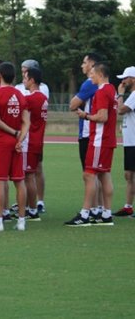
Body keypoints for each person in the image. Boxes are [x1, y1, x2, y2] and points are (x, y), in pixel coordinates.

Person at [66, 62, 116, 226]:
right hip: (108, 140)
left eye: (93, 74)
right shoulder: (112, 90)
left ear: (100, 74)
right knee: (104, 175)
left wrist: (85, 115)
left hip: (99, 140)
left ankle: (85, 214)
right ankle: (106, 214)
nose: (90, 76)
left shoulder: (102, 91)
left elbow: (103, 117)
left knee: (89, 174)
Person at [0, 62, 29, 232]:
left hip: (1, 143)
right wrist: (20, 138)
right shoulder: (20, 95)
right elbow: (26, 122)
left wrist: (14, 134)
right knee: (19, 181)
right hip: (17, 144)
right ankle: (22, 221)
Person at [69, 52, 104, 220]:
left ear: (91, 64)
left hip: (88, 133)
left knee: (89, 174)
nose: (82, 66)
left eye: (84, 63)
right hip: (95, 133)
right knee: (97, 173)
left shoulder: (90, 83)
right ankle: (98, 208)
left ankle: (92, 210)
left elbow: (73, 104)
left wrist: (80, 104)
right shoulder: (103, 85)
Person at [23, 67, 48, 221]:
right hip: (38, 141)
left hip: (30, 141)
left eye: (26, 78)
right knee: (30, 175)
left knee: (28, 177)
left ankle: (32, 210)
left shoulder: (31, 99)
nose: (24, 81)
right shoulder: (43, 98)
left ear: (32, 80)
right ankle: (28, 207)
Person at [114, 66, 135, 217]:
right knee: (129, 175)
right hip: (130, 141)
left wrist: (119, 94)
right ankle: (128, 206)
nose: (123, 81)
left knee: (131, 174)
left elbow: (120, 110)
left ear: (133, 79)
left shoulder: (134, 95)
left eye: (125, 78)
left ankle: (129, 206)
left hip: (134, 142)